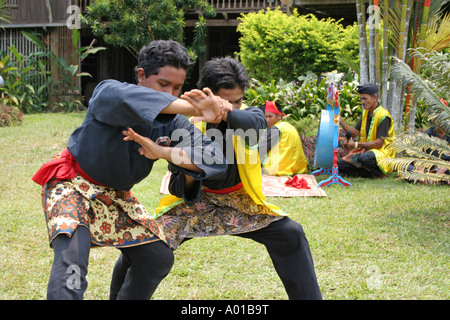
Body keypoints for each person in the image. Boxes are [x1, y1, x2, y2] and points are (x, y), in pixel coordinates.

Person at [110, 57, 322, 300]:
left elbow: (255, 126)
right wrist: (193, 174)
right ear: (204, 93)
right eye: (224, 100)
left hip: (240, 202)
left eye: (237, 100)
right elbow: (180, 189)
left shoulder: (247, 116)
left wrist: (226, 110)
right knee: (143, 248)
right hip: (193, 205)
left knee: (290, 233)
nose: (230, 106)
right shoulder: (184, 125)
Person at [31, 40, 229, 300]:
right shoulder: (109, 92)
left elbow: (215, 158)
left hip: (115, 196)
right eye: (163, 84)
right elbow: (130, 99)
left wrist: (164, 152)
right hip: (71, 185)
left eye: (178, 87)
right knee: (72, 261)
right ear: (141, 75)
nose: (170, 93)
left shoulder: (174, 124)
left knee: (157, 257)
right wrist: (196, 107)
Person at [337, 83, 395, 178]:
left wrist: (355, 145)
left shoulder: (383, 116)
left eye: (365, 98)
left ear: (374, 97)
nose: (362, 102)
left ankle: (381, 173)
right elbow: (355, 132)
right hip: (367, 151)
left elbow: (379, 143)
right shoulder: (366, 113)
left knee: (364, 158)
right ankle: (371, 174)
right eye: (361, 99)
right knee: (340, 165)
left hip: (382, 153)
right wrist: (341, 121)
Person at [259, 100, 308, 176]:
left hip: (280, 170)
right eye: (266, 116)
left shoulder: (275, 129)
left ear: (279, 116)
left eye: (270, 116)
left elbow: (260, 150)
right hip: (298, 169)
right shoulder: (288, 126)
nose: (267, 120)